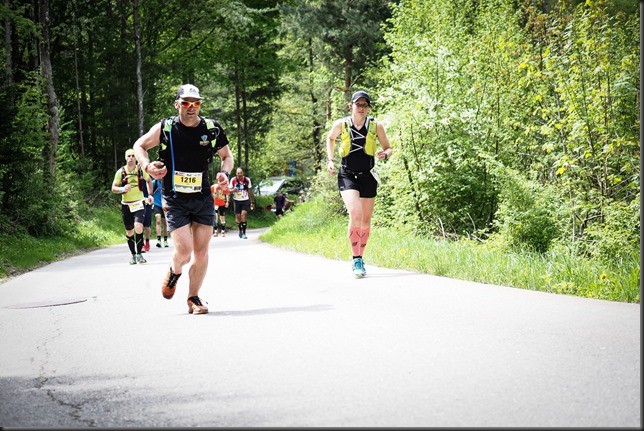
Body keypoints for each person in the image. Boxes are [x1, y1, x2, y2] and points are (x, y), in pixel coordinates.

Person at [133, 84, 234, 315]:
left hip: (202, 197)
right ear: (177, 104)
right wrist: (146, 166)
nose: (192, 107)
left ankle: (193, 298)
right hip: (175, 198)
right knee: (185, 252)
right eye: (186, 103)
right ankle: (174, 271)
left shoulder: (211, 129)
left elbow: (227, 156)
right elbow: (139, 145)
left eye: (196, 103)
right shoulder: (166, 128)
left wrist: (224, 173)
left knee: (201, 252)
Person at [326, 90, 392, 278]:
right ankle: (355, 259)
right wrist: (330, 160)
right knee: (355, 213)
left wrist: (385, 154)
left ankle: (360, 257)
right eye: (358, 104)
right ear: (351, 106)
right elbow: (330, 138)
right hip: (347, 174)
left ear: (368, 107)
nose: (361, 108)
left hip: (368, 175)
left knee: (365, 221)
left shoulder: (376, 125)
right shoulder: (341, 124)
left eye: (365, 105)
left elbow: (389, 147)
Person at [111, 148, 154, 265]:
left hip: (139, 203)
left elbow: (149, 181)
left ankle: (139, 254)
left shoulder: (140, 170)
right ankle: (133, 255)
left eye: (133, 156)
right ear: (125, 158)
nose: (130, 158)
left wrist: (150, 195)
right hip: (126, 205)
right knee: (129, 231)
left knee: (138, 227)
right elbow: (113, 188)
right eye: (128, 156)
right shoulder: (121, 172)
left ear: (136, 158)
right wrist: (122, 189)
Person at [230, 167, 255, 239]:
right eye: (238, 173)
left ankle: (244, 233)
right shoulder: (233, 180)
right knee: (238, 217)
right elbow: (228, 190)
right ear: (236, 174)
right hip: (236, 200)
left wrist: (252, 201)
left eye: (241, 173)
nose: (239, 174)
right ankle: (240, 230)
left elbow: (250, 190)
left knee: (243, 215)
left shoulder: (247, 180)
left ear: (243, 173)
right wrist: (233, 190)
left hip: (245, 200)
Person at [151, 178, 169, 248]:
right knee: (158, 221)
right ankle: (158, 240)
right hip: (157, 204)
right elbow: (149, 192)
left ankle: (165, 240)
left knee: (165, 222)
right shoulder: (154, 183)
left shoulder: (167, 182)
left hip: (165, 204)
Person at [141, 176, 153, 252]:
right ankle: (141, 244)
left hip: (147, 203)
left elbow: (150, 186)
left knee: (147, 226)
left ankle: (147, 242)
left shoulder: (147, 177)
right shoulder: (134, 176)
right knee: (139, 224)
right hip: (137, 203)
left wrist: (150, 195)